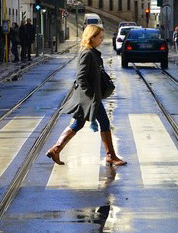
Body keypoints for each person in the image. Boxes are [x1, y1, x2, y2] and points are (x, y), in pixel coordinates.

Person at [46, 25, 126, 166]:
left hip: (90, 97)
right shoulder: (87, 53)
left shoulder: (92, 52)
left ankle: (56, 150)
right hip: (88, 98)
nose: (102, 40)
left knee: (78, 123)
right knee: (104, 122)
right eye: (100, 37)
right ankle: (111, 156)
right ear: (92, 37)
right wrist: (92, 95)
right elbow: (81, 77)